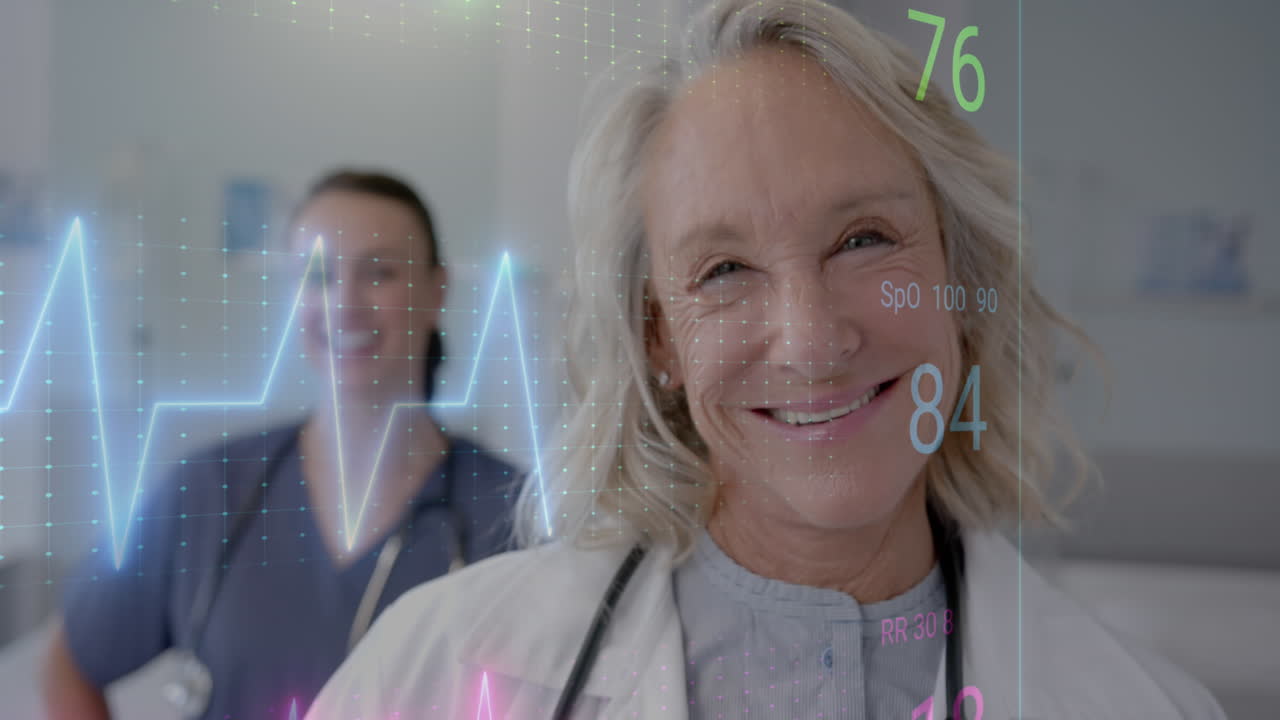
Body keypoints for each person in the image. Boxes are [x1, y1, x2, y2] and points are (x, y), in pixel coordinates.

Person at [307, 2, 1228, 718]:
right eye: (724, 270)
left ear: (957, 273)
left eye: (865, 240)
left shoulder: (1143, 705)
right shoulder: (431, 673)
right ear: (659, 339)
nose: (812, 340)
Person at [42, 170, 523, 720]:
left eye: (380, 272)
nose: (344, 303)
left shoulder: (512, 516)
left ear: (438, 291)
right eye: (316, 275)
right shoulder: (207, 490)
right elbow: (70, 662)